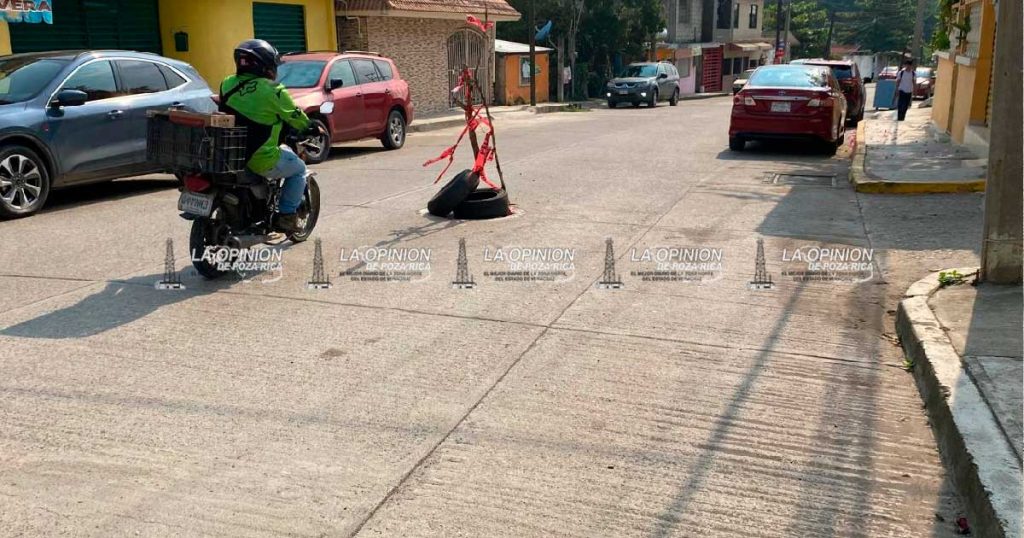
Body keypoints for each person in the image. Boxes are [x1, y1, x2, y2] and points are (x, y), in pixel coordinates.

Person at [219, 39, 316, 233]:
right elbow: (294, 116)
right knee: (298, 169)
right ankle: (287, 216)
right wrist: (311, 127)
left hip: (229, 154)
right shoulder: (273, 90)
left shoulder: (227, 83)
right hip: (259, 158)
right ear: (266, 65)